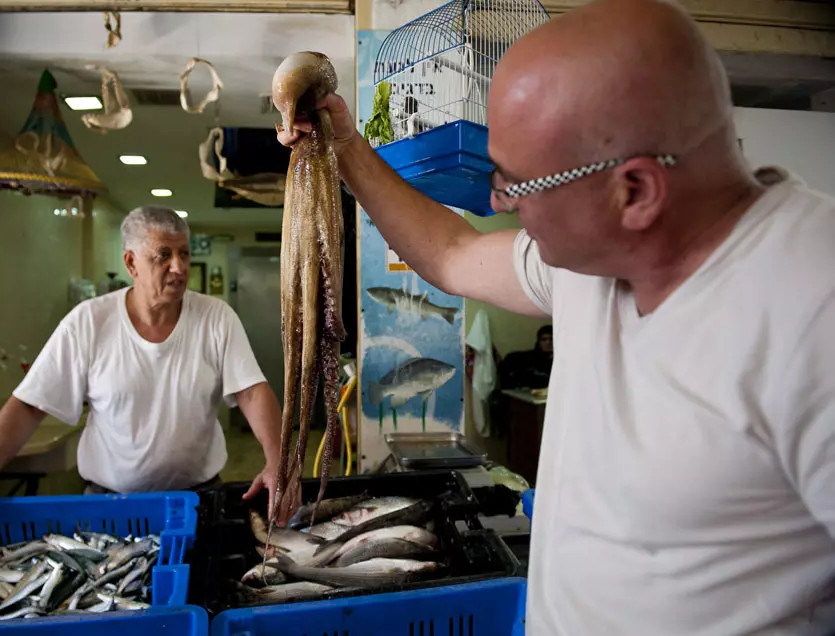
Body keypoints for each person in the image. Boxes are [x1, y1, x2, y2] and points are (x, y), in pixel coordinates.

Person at [277, 0, 835, 633]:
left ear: (635, 191)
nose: (497, 201)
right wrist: (345, 146)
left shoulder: (811, 309)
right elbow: (450, 251)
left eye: (517, 184)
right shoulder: (588, 263)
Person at [0, 206, 288, 538]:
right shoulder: (88, 322)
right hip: (108, 504)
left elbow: (251, 391)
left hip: (199, 498)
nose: (179, 267)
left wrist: (276, 462)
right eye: (164, 255)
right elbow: (29, 405)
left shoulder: (215, 317)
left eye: (184, 254)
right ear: (131, 263)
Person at [498, 325, 553, 390]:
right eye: (544, 339)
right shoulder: (527, 358)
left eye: (551, 339)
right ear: (539, 342)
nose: (548, 342)